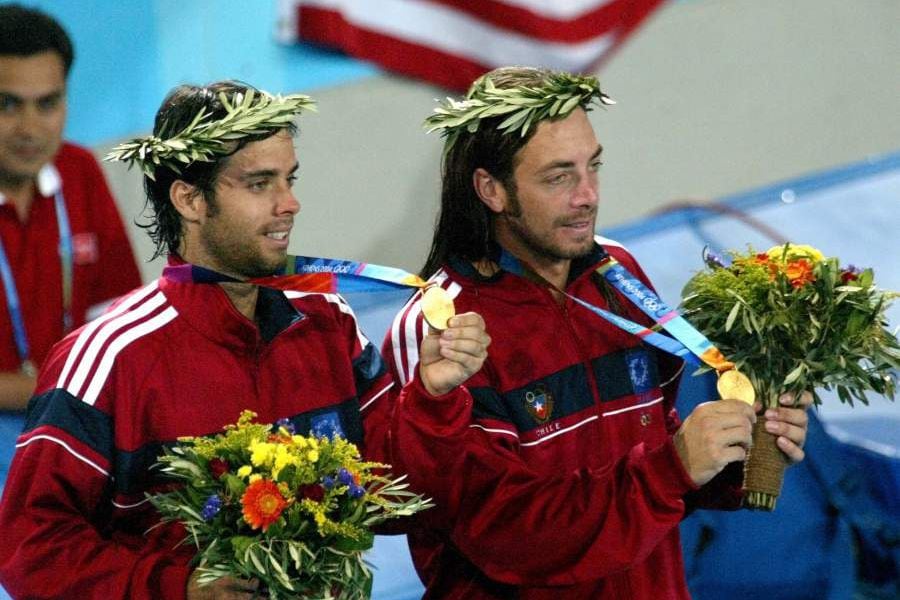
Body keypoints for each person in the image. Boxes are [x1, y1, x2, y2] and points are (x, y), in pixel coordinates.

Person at [0, 80, 489, 599]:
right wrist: (180, 589)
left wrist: (432, 399)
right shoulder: (108, 358)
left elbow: (398, 502)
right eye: (260, 184)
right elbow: (31, 548)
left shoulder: (327, 323)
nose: (290, 203)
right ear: (189, 198)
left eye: (289, 178)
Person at [380, 66, 812, 599]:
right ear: (491, 190)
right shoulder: (442, 330)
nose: (587, 195)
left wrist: (736, 455)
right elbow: (502, 532)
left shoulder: (619, 276)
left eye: (593, 166)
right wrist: (671, 469)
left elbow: (655, 442)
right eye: (559, 176)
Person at [0, 4, 142, 410]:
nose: (29, 128)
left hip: (76, 413)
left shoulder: (78, 170)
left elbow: (123, 327)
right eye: (7, 105)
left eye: (47, 104)